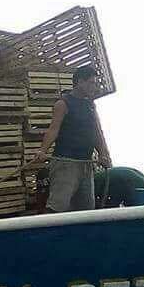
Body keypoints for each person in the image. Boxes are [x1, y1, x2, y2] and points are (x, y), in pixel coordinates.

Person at [32, 66, 112, 212]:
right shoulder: (63, 104)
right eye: (91, 83)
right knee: (58, 205)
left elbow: (97, 132)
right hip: (65, 163)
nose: (93, 87)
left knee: (86, 207)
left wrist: (104, 154)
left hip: (86, 164)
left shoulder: (90, 106)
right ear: (80, 82)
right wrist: (42, 151)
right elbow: (53, 130)